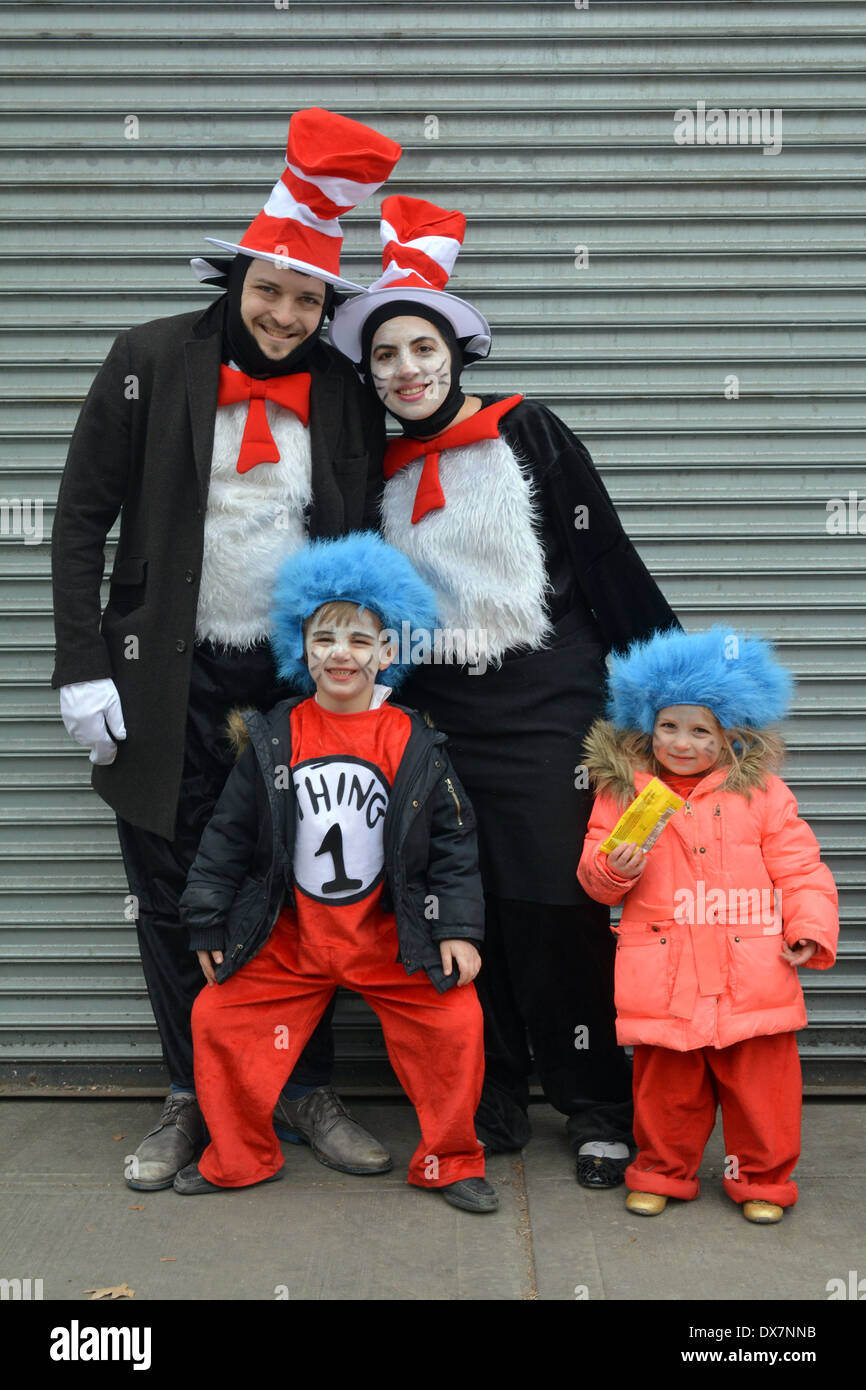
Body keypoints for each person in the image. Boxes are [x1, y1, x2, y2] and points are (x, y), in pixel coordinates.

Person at [50, 108, 402, 1190]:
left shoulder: (344, 388)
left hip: (292, 680)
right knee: (170, 890)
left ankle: (302, 1086)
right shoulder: (149, 358)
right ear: (238, 277)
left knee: (309, 890)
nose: (288, 314)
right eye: (271, 290)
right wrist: (80, 665)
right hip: (169, 676)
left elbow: (367, 535)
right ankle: (187, 1095)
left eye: (308, 298)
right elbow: (77, 520)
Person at [329, 195, 682, 1187]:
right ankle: (487, 1097)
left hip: (548, 699)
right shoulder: (366, 465)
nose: (404, 369)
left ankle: (596, 1102)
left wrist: (673, 691)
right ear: (368, 371)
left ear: (453, 351)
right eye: (385, 355)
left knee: (555, 905)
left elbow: (606, 562)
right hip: (436, 711)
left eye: (420, 348)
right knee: (456, 903)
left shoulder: (527, 431)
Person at [175, 532, 497, 1213]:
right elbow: (227, 836)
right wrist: (206, 917)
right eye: (324, 639)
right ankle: (237, 1156)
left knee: (457, 1023)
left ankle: (451, 1159)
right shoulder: (274, 736)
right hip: (291, 939)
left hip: (388, 938)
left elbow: (454, 840)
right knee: (216, 1015)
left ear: (388, 652)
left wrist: (459, 927)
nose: (340, 654)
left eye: (358, 640)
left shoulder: (414, 739)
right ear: (302, 649)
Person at [577, 626, 838, 1221]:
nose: (683, 743)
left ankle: (763, 1181)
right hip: (664, 972)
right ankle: (662, 1171)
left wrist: (809, 927)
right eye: (669, 726)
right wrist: (613, 870)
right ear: (648, 724)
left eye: (702, 730)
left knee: (762, 1090)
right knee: (667, 1088)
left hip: (753, 971)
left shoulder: (764, 794)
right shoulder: (625, 794)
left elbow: (801, 869)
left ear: (731, 735)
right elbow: (594, 879)